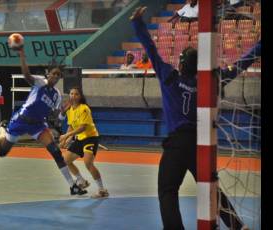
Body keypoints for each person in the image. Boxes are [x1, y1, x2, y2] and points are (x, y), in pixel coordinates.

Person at [131, 6, 260, 229]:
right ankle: (238, 226)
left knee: (167, 191)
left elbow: (150, 49)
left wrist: (138, 24)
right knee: (210, 187)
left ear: (181, 64)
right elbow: (240, 64)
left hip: (176, 144)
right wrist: (259, 46)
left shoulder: (170, 78)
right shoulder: (210, 82)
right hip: (201, 142)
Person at [0, 47, 87, 196]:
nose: (56, 76)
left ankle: (72, 186)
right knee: (1, 151)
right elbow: (26, 74)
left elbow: (57, 116)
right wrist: (22, 56)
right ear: (48, 74)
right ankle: (2, 129)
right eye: (54, 73)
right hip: (21, 121)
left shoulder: (56, 95)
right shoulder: (40, 83)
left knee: (56, 152)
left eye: (58, 75)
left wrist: (63, 112)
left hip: (38, 125)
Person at [59, 87, 109, 198]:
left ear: (80, 96)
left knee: (88, 163)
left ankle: (102, 190)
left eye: (76, 94)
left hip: (90, 138)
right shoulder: (70, 110)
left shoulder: (84, 108)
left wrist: (67, 136)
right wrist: (65, 140)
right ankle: (81, 181)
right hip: (80, 139)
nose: (73, 96)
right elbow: (71, 126)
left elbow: (82, 127)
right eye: (71, 94)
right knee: (66, 160)